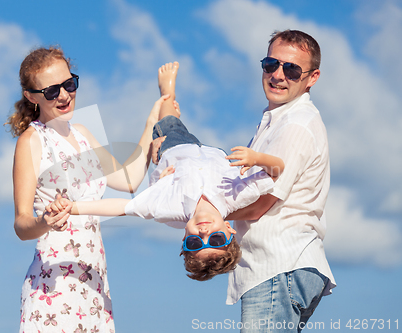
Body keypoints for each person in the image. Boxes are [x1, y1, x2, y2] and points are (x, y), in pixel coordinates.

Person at [49, 62, 284, 281]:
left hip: (174, 148)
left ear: (185, 238)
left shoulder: (168, 207)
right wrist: (257, 158)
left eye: (195, 242)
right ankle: (166, 124)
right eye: (216, 239)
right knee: (177, 132)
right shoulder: (237, 197)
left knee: (168, 116)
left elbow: (123, 207)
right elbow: (277, 171)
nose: (204, 233)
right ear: (229, 229)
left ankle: (166, 92)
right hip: (212, 153)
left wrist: (73, 208)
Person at [5, 46, 167, 333]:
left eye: (69, 84)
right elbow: (21, 224)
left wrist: (152, 120)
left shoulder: (83, 133)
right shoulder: (31, 141)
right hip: (53, 287)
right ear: (31, 97)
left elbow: (128, 180)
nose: (65, 96)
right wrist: (44, 222)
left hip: (94, 284)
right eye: (52, 91)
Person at [223, 30, 336, 332]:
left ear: (312, 78)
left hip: (279, 265)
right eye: (270, 64)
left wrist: (208, 214)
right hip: (280, 267)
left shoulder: (296, 124)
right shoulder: (278, 119)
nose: (277, 75)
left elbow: (261, 203)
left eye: (292, 69)